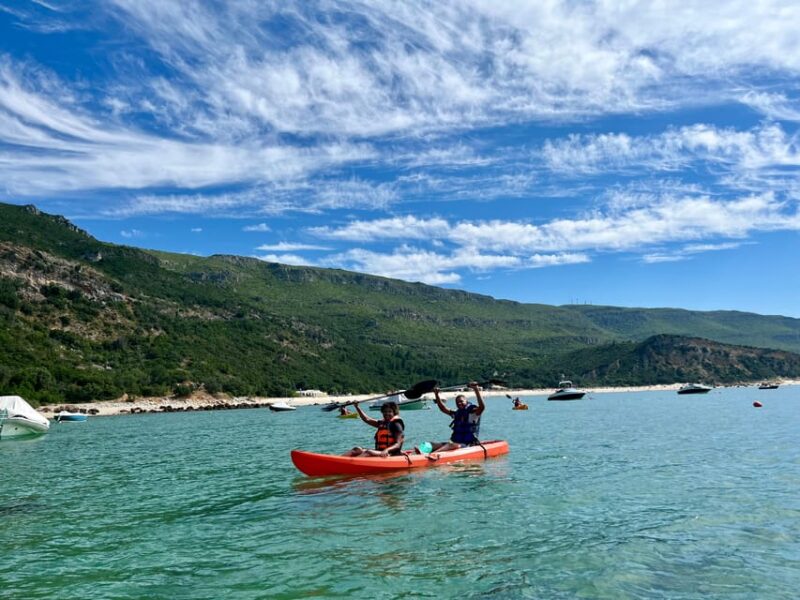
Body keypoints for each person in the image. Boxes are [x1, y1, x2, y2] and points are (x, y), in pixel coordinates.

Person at [428, 382, 485, 452]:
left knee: (451, 445)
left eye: (461, 401)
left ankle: (433, 454)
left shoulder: (473, 413)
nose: (459, 403)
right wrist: (436, 394)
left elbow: (482, 407)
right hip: (455, 443)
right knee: (431, 444)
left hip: (468, 444)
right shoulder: (456, 414)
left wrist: (476, 389)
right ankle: (419, 453)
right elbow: (443, 408)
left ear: (466, 401)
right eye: (457, 403)